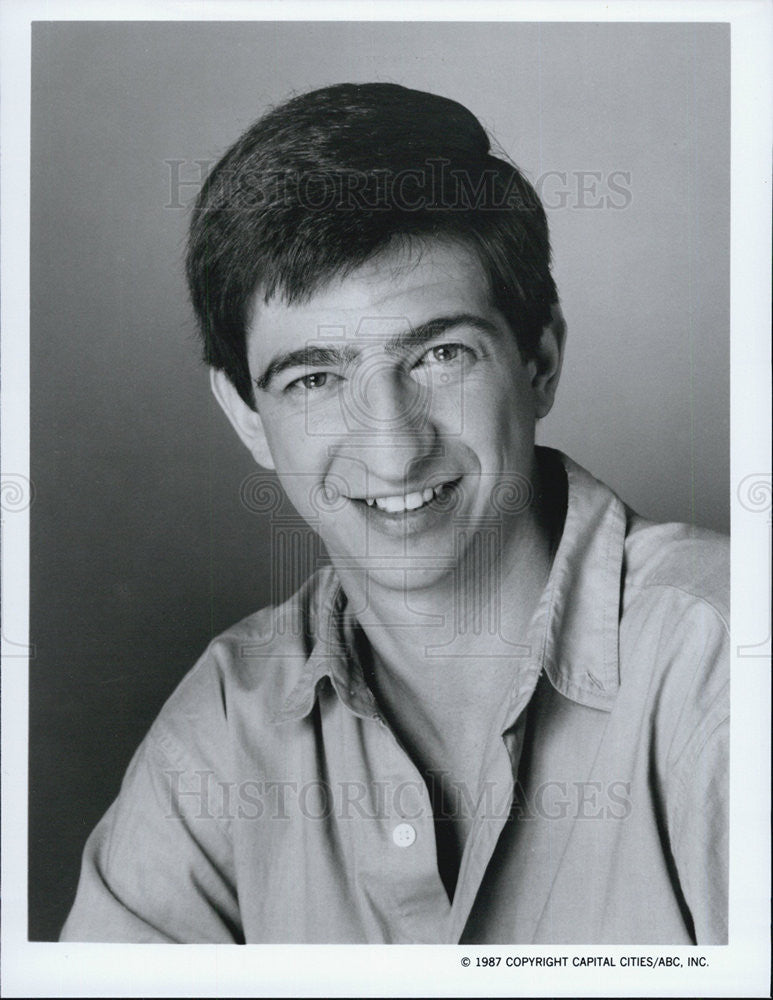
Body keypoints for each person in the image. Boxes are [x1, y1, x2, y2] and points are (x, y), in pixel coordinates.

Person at [60, 83, 728, 944]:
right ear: (244, 417)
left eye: (439, 354)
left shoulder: (727, 670)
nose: (392, 450)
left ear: (540, 360)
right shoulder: (229, 721)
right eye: (315, 379)